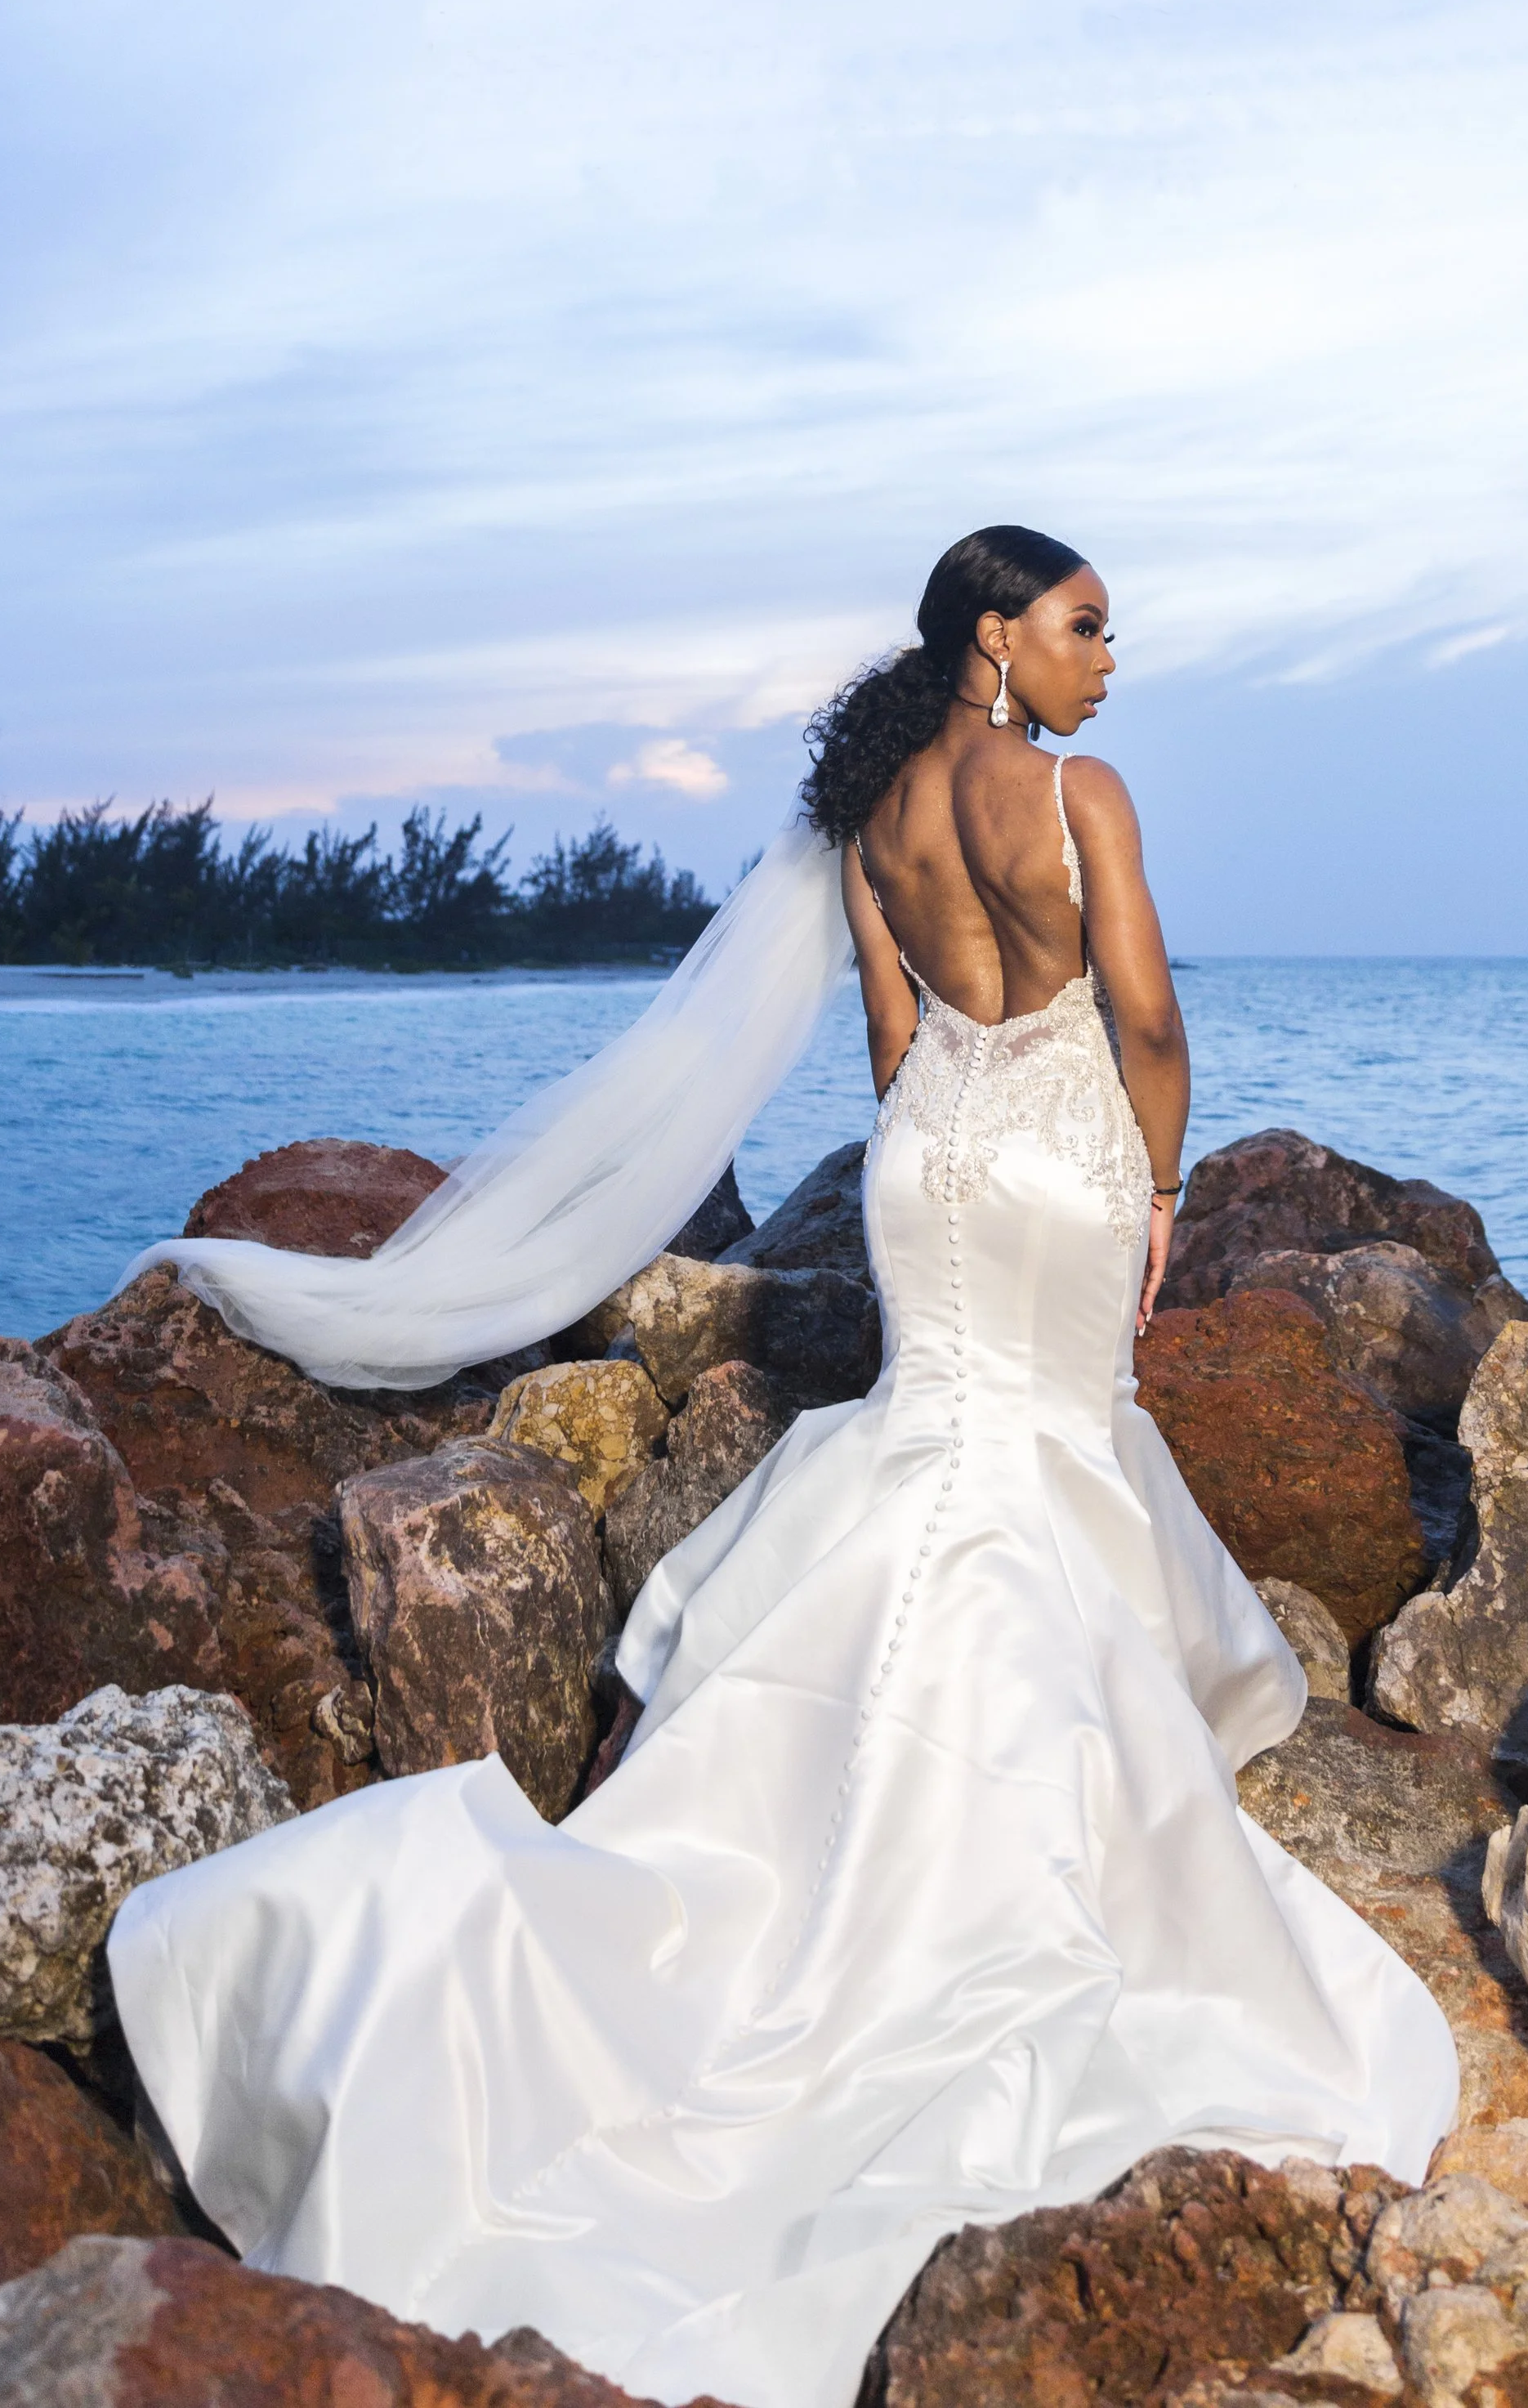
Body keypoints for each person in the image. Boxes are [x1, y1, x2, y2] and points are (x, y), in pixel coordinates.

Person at [109, 526, 1458, 2408]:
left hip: (929, 1167)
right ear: (999, 636)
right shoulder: (1078, 793)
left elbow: (896, 1054)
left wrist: (960, 1148)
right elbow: (1144, 1015)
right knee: (1041, 1444)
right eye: (1084, 625)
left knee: (942, 1435)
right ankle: (1004, 1816)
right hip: (1065, 1156)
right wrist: (1154, 1186)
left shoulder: (871, 817)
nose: (1108, 658)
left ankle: (841, 1787)